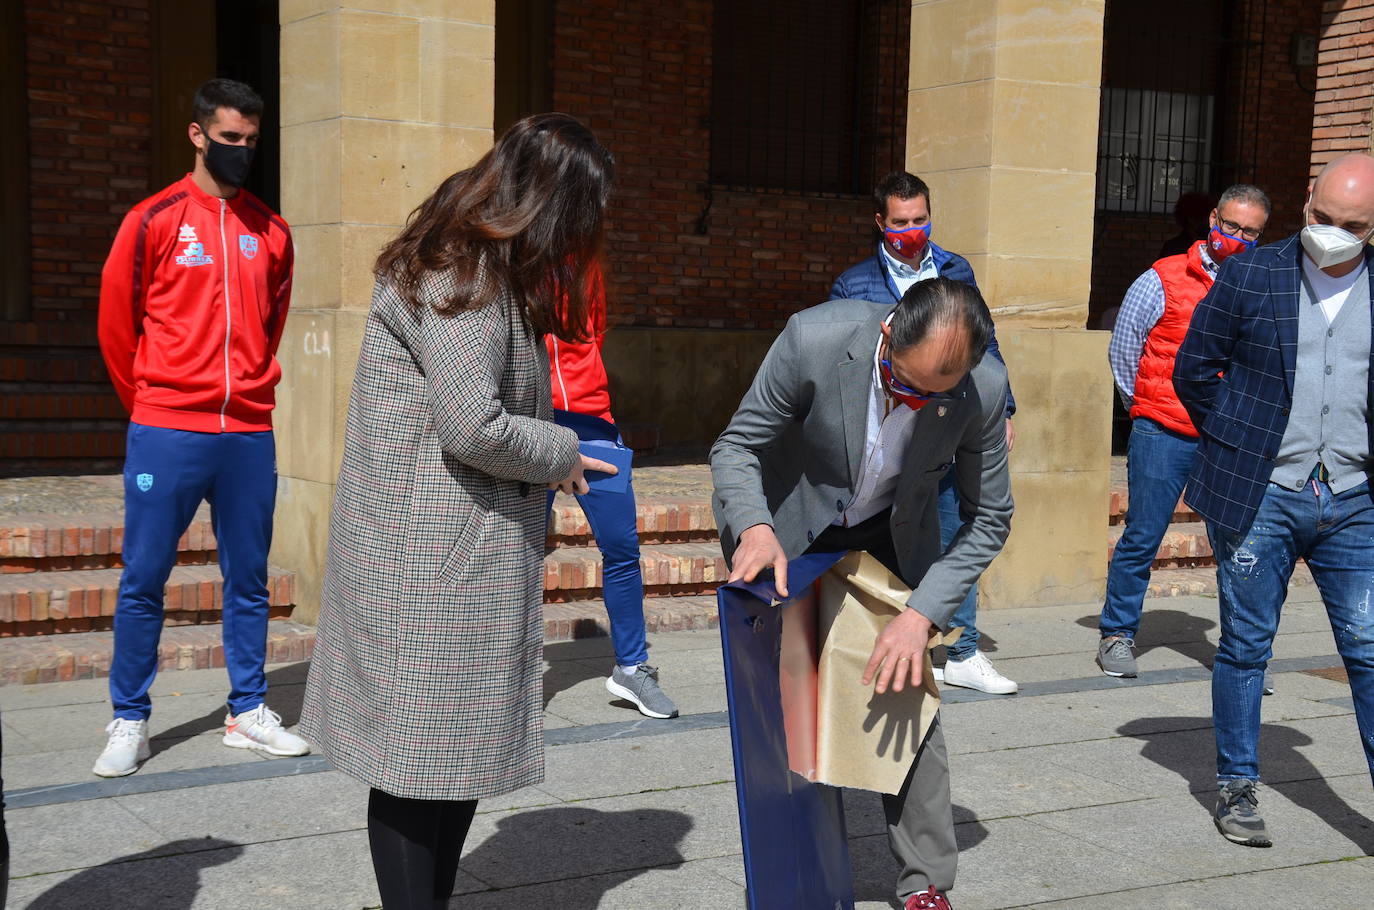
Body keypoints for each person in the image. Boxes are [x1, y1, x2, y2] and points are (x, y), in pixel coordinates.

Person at [299, 113, 618, 909]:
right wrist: (562, 454)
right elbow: (471, 423)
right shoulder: (462, 273)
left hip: (446, 552)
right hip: (431, 564)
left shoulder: (475, 262)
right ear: (550, 203)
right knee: (417, 768)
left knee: (451, 759)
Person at [712, 277, 1013, 910]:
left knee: (907, 692)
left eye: (935, 396)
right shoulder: (814, 339)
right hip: (787, 529)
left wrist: (923, 614)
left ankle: (925, 884)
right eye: (905, 386)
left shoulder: (980, 390)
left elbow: (989, 519)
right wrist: (757, 528)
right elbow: (736, 446)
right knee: (797, 703)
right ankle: (806, 877)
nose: (915, 405)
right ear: (886, 337)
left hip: (891, 539)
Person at [94, 78, 305, 777]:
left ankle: (247, 710)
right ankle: (129, 718)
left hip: (247, 432)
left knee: (248, 578)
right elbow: (116, 325)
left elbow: (269, 327)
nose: (240, 151)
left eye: (251, 141)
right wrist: (152, 405)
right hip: (167, 428)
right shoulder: (152, 219)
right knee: (144, 577)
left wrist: (244, 390)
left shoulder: (272, 232)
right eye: (229, 139)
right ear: (197, 134)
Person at [1174, 153, 1374, 848]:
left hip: (1354, 496)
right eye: (1322, 217)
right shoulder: (1253, 271)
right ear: (1306, 202)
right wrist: (1239, 438)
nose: (1332, 233)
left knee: (1370, 646)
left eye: (1352, 226)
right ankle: (1236, 786)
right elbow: (1195, 366)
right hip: (1262, 494)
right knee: (1245, 645)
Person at [829, 171, 1018, 695]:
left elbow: (984, 343)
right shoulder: (856, 282)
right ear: (880, 222)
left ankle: (960, 648)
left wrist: (1002, 409)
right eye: (900, 222)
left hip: (951, 417)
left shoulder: (956, 269)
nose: (912, 229)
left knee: (961, 522)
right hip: (889, 422)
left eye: (920, 220)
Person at [1099, 184, 1271, 678]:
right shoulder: (1164, 276)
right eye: (1232, 225)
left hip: (1227, 435)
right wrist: (1145, 407)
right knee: (1143, 536)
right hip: (1163, 430)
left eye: (1251, 232)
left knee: (1236, 547)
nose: (1238, 237)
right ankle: (1117, 634)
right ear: (1213, 218)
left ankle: (1243, 653)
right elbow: (1125, 348)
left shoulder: (1260, 283)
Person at [547, 264, 678, 718]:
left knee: (623, 551)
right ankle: (508, 672)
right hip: (533, 425)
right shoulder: (512, 252)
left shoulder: (587, 263)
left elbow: (594, 333)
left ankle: (631, 667)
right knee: (518, 555)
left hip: (595, 422)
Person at [1159, 191, 1217, 259]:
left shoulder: (1213, 245)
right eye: (1204, 218)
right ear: (1191, 219)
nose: (1209, 223)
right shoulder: (1173, 247)